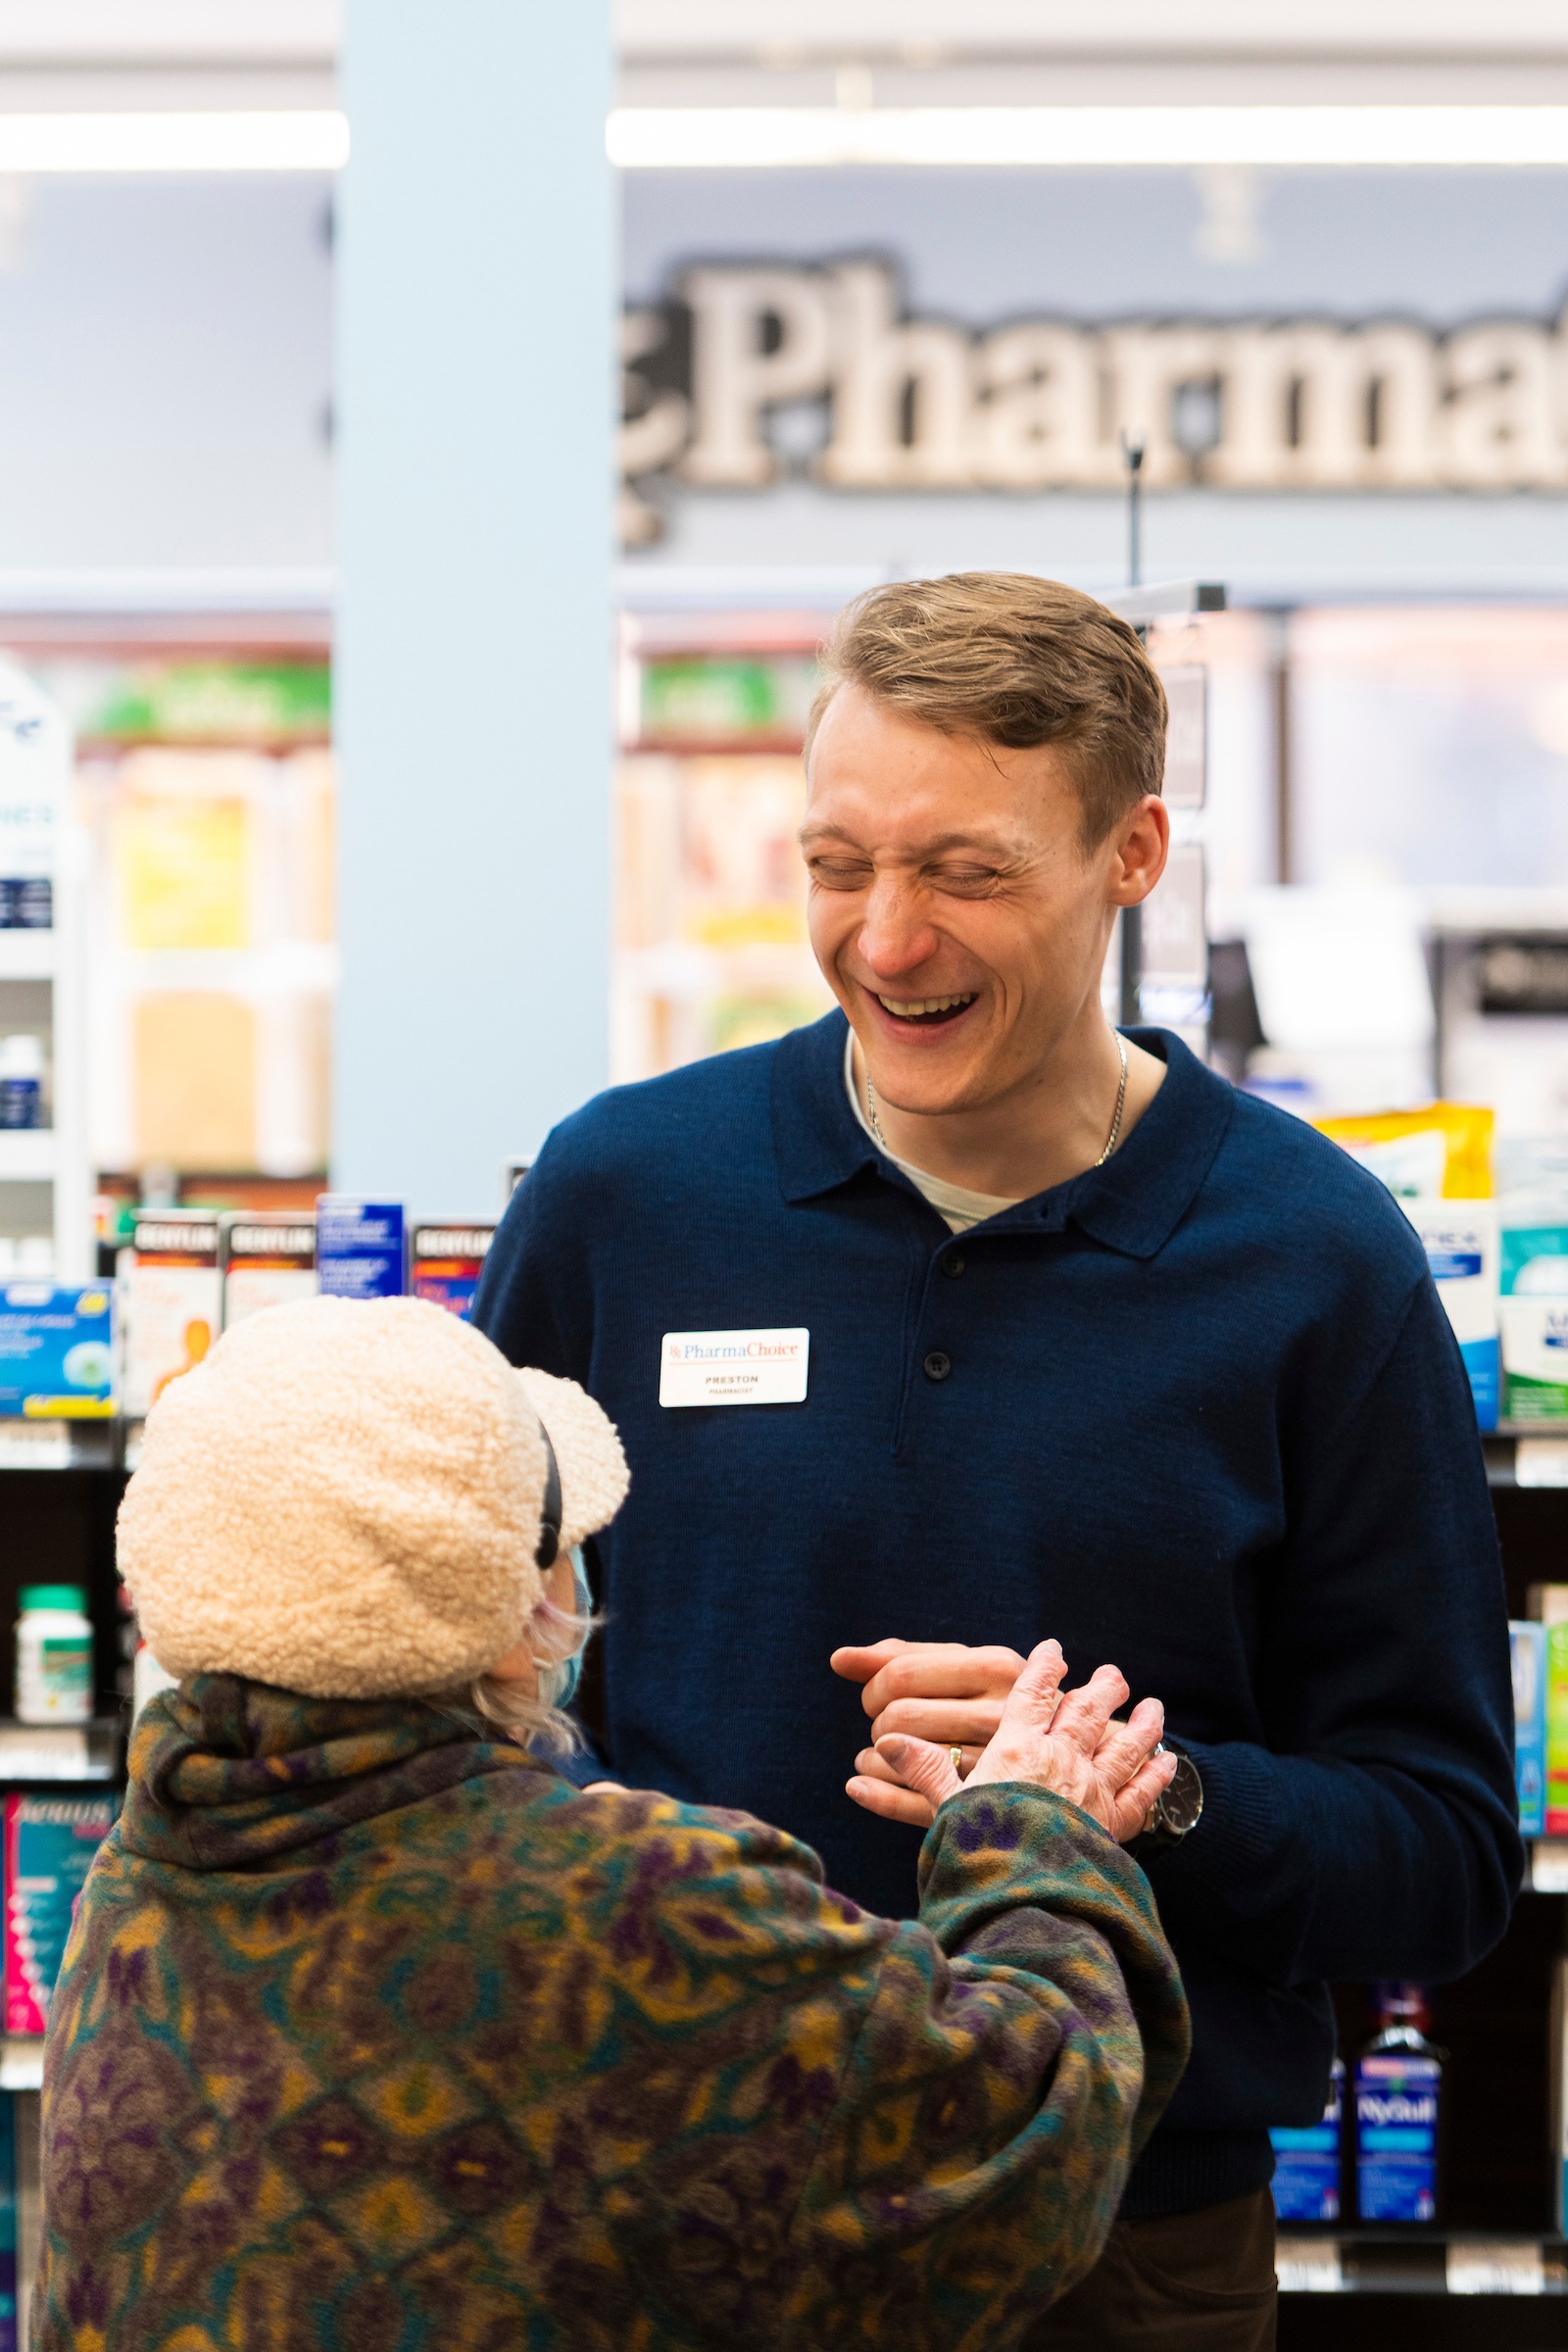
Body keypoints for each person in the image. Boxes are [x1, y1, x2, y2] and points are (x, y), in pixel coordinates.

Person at [473, 571, 1523, 2350]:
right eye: (836, 865)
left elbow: (1441, 1856)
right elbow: (456, 1703)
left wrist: (1147, 1793)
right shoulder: (627, 1197)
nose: (885, 941)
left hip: (1120, 2243)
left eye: (966, 871)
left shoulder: (1314, 1262)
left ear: (1131, 855)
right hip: (668, 2197)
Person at [36, 1293, 1189, 2351]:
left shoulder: (138, 1876)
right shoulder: (642, 1903)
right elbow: (1036, 2138)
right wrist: (1034, 1831)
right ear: (517, 1615)